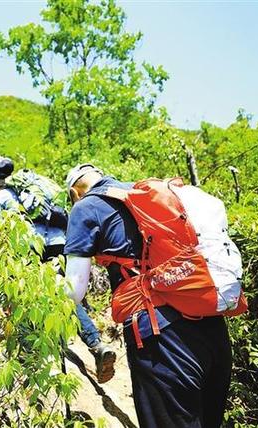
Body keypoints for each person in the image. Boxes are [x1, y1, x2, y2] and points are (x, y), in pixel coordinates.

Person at [63, 164, 234, 427]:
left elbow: (74, 291)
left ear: (75, 192)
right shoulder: (144, 192)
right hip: (212, 327)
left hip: (160, 337)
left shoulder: (85, 207)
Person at [0, 176, 117, 383]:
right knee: (65, 296)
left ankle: (28, 354)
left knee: (25, 292)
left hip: (29, 244)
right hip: (59, 243)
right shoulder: (41, 192)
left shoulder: (0, 196)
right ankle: (97, 345)